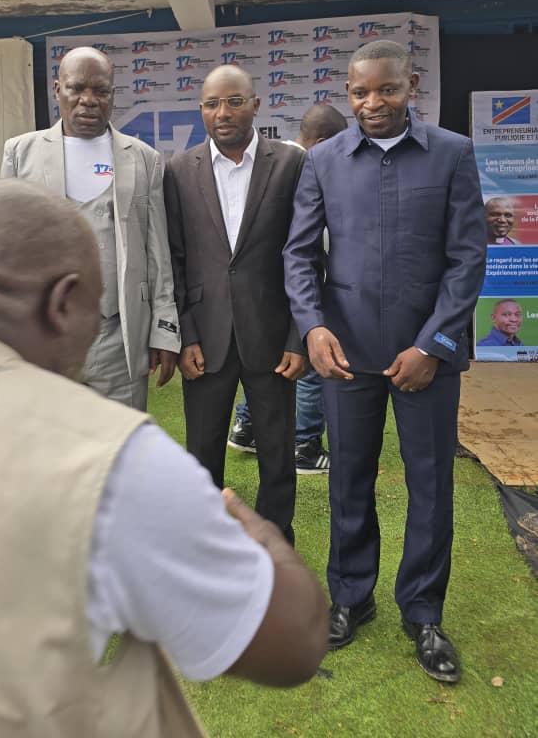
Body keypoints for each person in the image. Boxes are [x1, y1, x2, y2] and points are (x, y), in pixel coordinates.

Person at [0, 180, 328, 737]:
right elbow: (290, 644)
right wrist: (265, 543)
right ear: (63, 302)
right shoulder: (109, 455)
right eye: (96, 308)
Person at [283, 40, 487, 684]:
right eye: (360, 92)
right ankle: (351, 597)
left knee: (431, 485)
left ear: (411, 87)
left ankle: (423, 613)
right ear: (348, 94)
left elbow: (468, 258)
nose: (373, 102)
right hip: (346, 355)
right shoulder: (323, 161)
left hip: (426, 358)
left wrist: (433, 346)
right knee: (348, 480)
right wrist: (313, 327)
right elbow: (299, 255)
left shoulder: (452, 153)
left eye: (387, 89)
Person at [164, 65, 308, 544]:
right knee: (202, 452)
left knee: (277, 452)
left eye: (234, 101)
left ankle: (275, 543)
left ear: (256, 105)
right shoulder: (179, 170)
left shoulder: (289, 164)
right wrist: (185, 334)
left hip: (272, 337)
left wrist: (298, 337)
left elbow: (306, 254)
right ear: (201, 110)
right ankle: (207, 546)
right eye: (211, 104)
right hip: (205, 339)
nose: (222, 113)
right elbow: (175, 259)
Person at [1, 46, 179, 410]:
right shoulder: (20, 153)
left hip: (118, 336)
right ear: (57, 90)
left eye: (100, 90)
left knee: (120, 438)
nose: (88, 100)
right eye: (77, 88)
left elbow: (158, 252)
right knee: (52, 435)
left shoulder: (143, 159)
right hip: (47, 335)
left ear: (113, 94)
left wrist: (164, 330)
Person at [228, 103, 348, 474]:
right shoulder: (303, 166)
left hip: (265, 287)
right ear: (323, 142)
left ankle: (246, 426)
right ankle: (304, 445)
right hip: (295, 284)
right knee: (309, 362)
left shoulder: (273, 160)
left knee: (269, 358)